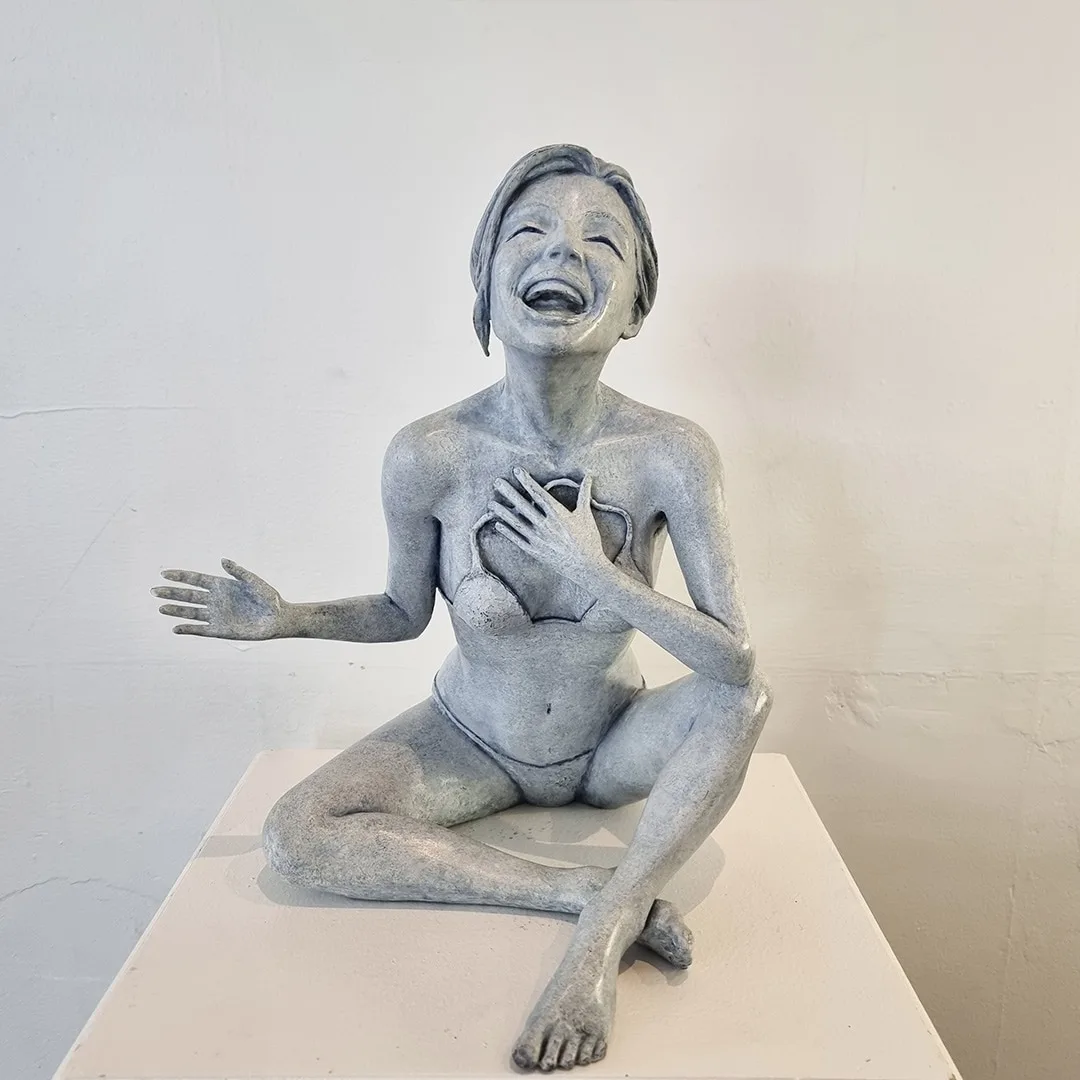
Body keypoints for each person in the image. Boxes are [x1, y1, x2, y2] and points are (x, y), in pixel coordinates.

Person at [152, 144, 771, 1072]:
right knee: (296, 835)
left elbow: (734, 663)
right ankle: (583, 895)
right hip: (472, 740)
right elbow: (403, 612)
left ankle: (602, 938)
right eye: (531, 230)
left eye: (603, 241)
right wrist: (288, 619)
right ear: (485, 275)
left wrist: (599, 573)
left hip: (612, 745)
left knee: (745, 703)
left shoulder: (670, 455)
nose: (562, 252)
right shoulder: (430, 454)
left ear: (637, 304)